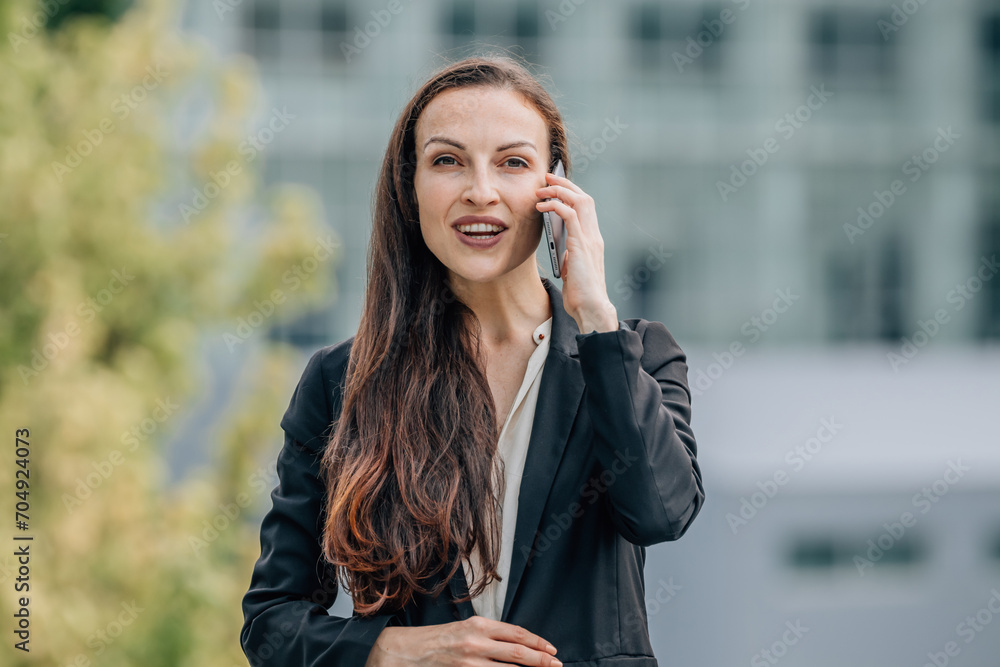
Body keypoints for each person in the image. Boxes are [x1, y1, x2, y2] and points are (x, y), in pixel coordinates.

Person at [240, 54, 704, 667]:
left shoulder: (633, 356)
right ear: (410, 187)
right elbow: (271, 622)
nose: (480, 192)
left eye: (512, 162)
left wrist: (595, 316)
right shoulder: (342, 381)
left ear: (556, 189)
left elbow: (660, 513)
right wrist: (394, 650)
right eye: (447, 161)